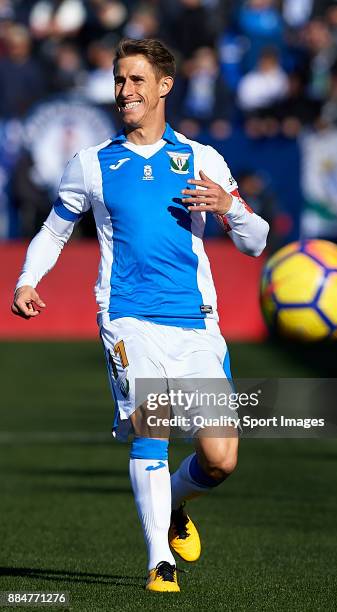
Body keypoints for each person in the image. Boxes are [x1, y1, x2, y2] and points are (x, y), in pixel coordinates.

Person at [11, 38, 269, 593]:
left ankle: (174, 503)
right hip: (127, 318)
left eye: (135, 81)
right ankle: (159, 561)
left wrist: (229, 209)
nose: (124, 91)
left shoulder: (202, 159)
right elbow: (55, 231)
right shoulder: (92, 163)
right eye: (119, 81)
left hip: (197, 324)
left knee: (221, 459)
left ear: (163, 87)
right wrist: (27, 279)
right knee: (151, 430)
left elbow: (255, 241)